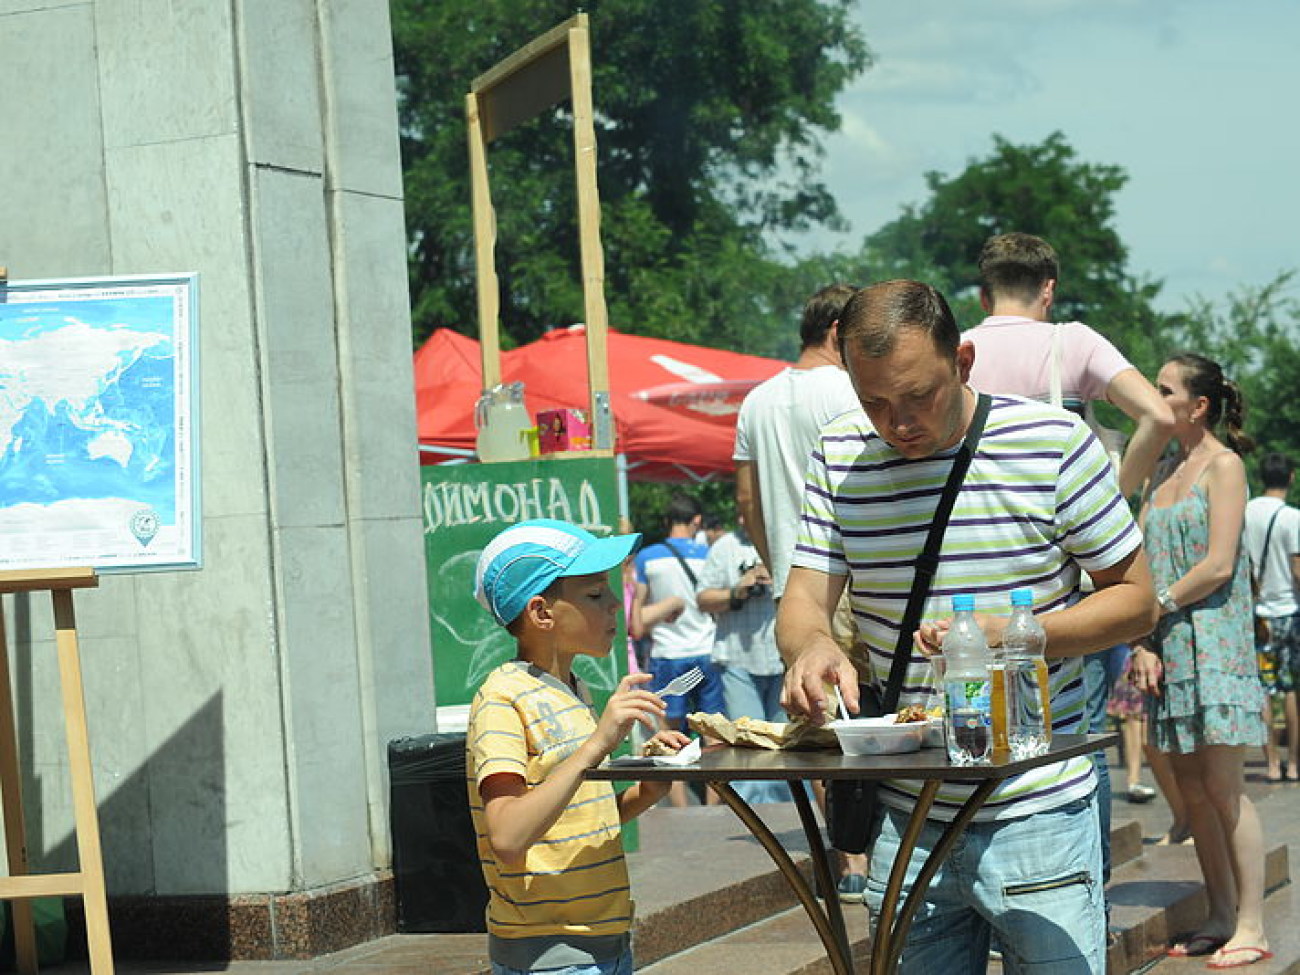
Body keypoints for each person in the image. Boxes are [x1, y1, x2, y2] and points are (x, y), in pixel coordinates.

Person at [779, 279, 1157, 973]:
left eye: (918, 394)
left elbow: (1136, 600)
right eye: (874, 402)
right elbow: (803, 598)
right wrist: (813, 643)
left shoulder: (1053, 444)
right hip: (906, 815)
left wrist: (1018, 631)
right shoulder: (840, 455)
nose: (897, 423)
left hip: (1035, 807)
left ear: (964, 362)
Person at [964, 231, 1176, 885]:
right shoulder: (1071, 342)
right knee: (1072, 730)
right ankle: (1084, 885)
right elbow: (1158, 416)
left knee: (974, 723)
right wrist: (1110, 497)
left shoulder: (959, 346)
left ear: (983, 289)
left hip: (972, 565)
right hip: (1056, 573)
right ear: (1048, 289)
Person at [467, 518, 690, 974]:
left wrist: (646, 792)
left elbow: (571, 822)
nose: (614, 606)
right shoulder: (502, 699)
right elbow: (508, 836)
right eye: (594, 595)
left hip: (605, 944)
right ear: (541, 613)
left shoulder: (574, 690)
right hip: (548, 956)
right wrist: (596, 745)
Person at [1128, 353, 1270, 966]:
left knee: (1223, 788)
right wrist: (1140, 637)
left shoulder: (1225, 466)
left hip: (1215, 645)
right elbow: (1135, 557)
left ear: (1199, 404)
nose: (1154, 397)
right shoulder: (1162, 469)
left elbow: (1218, 564)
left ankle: (1253, 924)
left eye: (1164, 390)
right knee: (1188, 790)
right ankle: (1217, 911)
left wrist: (1153, 608)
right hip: (1168, 650)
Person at [734, 282, 869, 897]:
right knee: (864, 714)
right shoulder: (848, 388)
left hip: (794, 588)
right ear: (840, 333)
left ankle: (842, 854)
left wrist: (778, 563)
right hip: (849, 578)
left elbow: (745, 499)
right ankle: (866, 854)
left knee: (817, 718)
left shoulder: (756, 401)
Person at [633, 492, 726, 807]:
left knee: (669, 732)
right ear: (697, 521)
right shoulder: (710, 554)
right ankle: (715, 805)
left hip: (667, 654)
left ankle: (681, 808)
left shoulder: (647, 557)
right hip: (708, 651)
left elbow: (638, 617)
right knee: (713, 731)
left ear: (666, 521)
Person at [696, 516, 789, 804]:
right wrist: (738, 590)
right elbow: (702, 598)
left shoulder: (786, 541)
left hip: (781, 656)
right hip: (738, 656)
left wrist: (778, 581)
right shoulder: (725, 546)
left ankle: (787, 812)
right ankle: (755, 815)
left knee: (785, 746)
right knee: (748, 743)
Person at [1245, 452, 1300, 782]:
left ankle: (1270, 764)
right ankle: (1293, 763)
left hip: (1257, 617)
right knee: (1291, 690)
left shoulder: (1246, 512)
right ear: (1291, 477)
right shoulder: (1293, 518)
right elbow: (1297, 569)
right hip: (1289, 615)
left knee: (1263, 690)